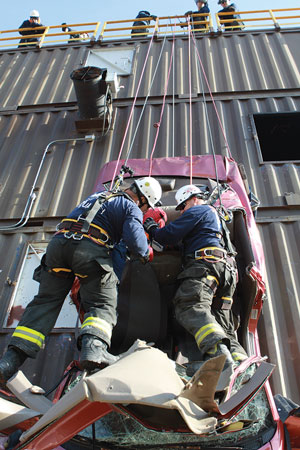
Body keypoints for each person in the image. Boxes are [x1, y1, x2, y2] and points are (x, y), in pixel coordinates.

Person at [0, 177, 162, 385]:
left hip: (58, 247)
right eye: (147, 205)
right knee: (102, 301)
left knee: (45, 302)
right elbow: (137, 245)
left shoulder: (97, 196)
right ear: (142, 198)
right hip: (89, 249)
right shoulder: (131, 206)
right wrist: (147, 252)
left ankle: (9, 362)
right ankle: (95, 351)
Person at [144, 184, 247, 377]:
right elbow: (175, 243)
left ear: (193, 199)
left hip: (205, 267)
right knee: (221, 322)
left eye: (182, 207)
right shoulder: (214, 220)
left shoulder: (199, 210)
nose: (182, 211)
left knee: (190, 305)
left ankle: (219, 358)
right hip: (226, 272)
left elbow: (167, 235)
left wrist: (151, 227)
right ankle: (242, 365)